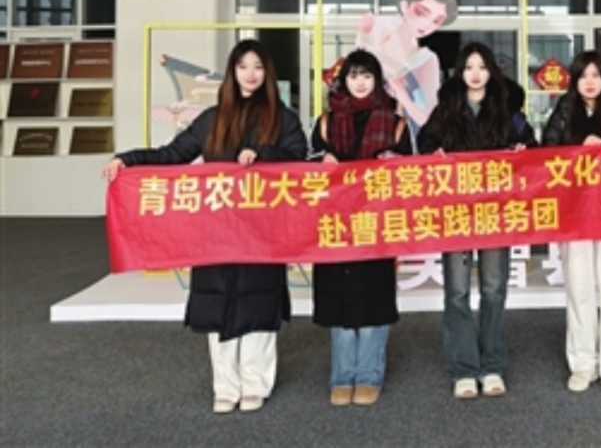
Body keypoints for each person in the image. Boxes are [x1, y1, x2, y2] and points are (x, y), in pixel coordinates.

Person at [101, 39, 308, 414]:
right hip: (217, 228)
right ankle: (225, 386)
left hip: (262, 230)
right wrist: (127, 160)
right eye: (243, 67)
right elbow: (173, 154)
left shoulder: (283, 118)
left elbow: (300, 160)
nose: (250, 74)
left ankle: (255, 383)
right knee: (217, 302)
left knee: (259, 303)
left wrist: (264, 154)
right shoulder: (212, 118)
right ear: (232, 72)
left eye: (258, 67)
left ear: (268, 73)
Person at [416, 42, 537, 399]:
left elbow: (531, 145)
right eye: (469, 67)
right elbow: (424, 143)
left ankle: (492, 365)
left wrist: (522, 150)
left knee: (494, 289)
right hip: (456, 212)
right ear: (460, 72)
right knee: (456, 292)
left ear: (491, 72)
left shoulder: (506, 109)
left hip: (495, 213)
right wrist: (434, 153)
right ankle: (464, 368)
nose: (475, 73)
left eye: (482, 66)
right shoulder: (446, 109)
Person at [309, 50, 412, 407]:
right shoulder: (325, 122)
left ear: (377, 80)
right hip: (334, 226)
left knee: (373, 299)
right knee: (338, 300)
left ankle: (368, 374)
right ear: (343, 81)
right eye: (353, 75)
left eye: (367, 75)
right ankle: (342, 376)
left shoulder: (395, 123)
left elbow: (412, 176)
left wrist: (395, 162)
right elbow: (304, 170)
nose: (360, 82)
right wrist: (321, 161)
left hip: (376, 225)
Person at [541, 50, 601, 396]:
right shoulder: (564, 111)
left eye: (596, 75)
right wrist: (577, 148)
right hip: (575, 215)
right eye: (583, 75)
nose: (590, 81)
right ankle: (583, 364)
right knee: (579, 290)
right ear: (574, 79)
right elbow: (546, 154)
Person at [355, 0, 459, 139]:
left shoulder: (426, 60)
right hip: (368, 133)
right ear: (404, 4)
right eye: (422, 12)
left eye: (437, 20)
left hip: (406, 140)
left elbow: (429, 121)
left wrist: (401, 93)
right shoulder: (378, 29)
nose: (427, 25)